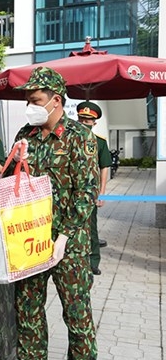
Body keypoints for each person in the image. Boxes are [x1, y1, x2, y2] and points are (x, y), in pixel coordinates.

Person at [0, 67, 100, 360]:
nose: (30, 105)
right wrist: (14, 162)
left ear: (56, 100)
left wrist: (68, 234)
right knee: (27, 306)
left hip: (68, 244)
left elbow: (87, 191)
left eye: (35, 99)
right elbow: (12, 178)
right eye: (28, 99)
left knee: (76, 314)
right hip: (30, 239)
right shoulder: (25, 134)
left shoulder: (78, 137)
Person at [77, 101, 112, 276]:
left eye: (88, 120)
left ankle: (93, 261)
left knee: (91, 228)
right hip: (71, 193)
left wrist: (102, 192)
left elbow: (104, 166)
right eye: (81, 118)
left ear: (94, 123)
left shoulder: (99, 142)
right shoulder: (69, 140)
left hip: (90, 193)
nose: (84, 122)